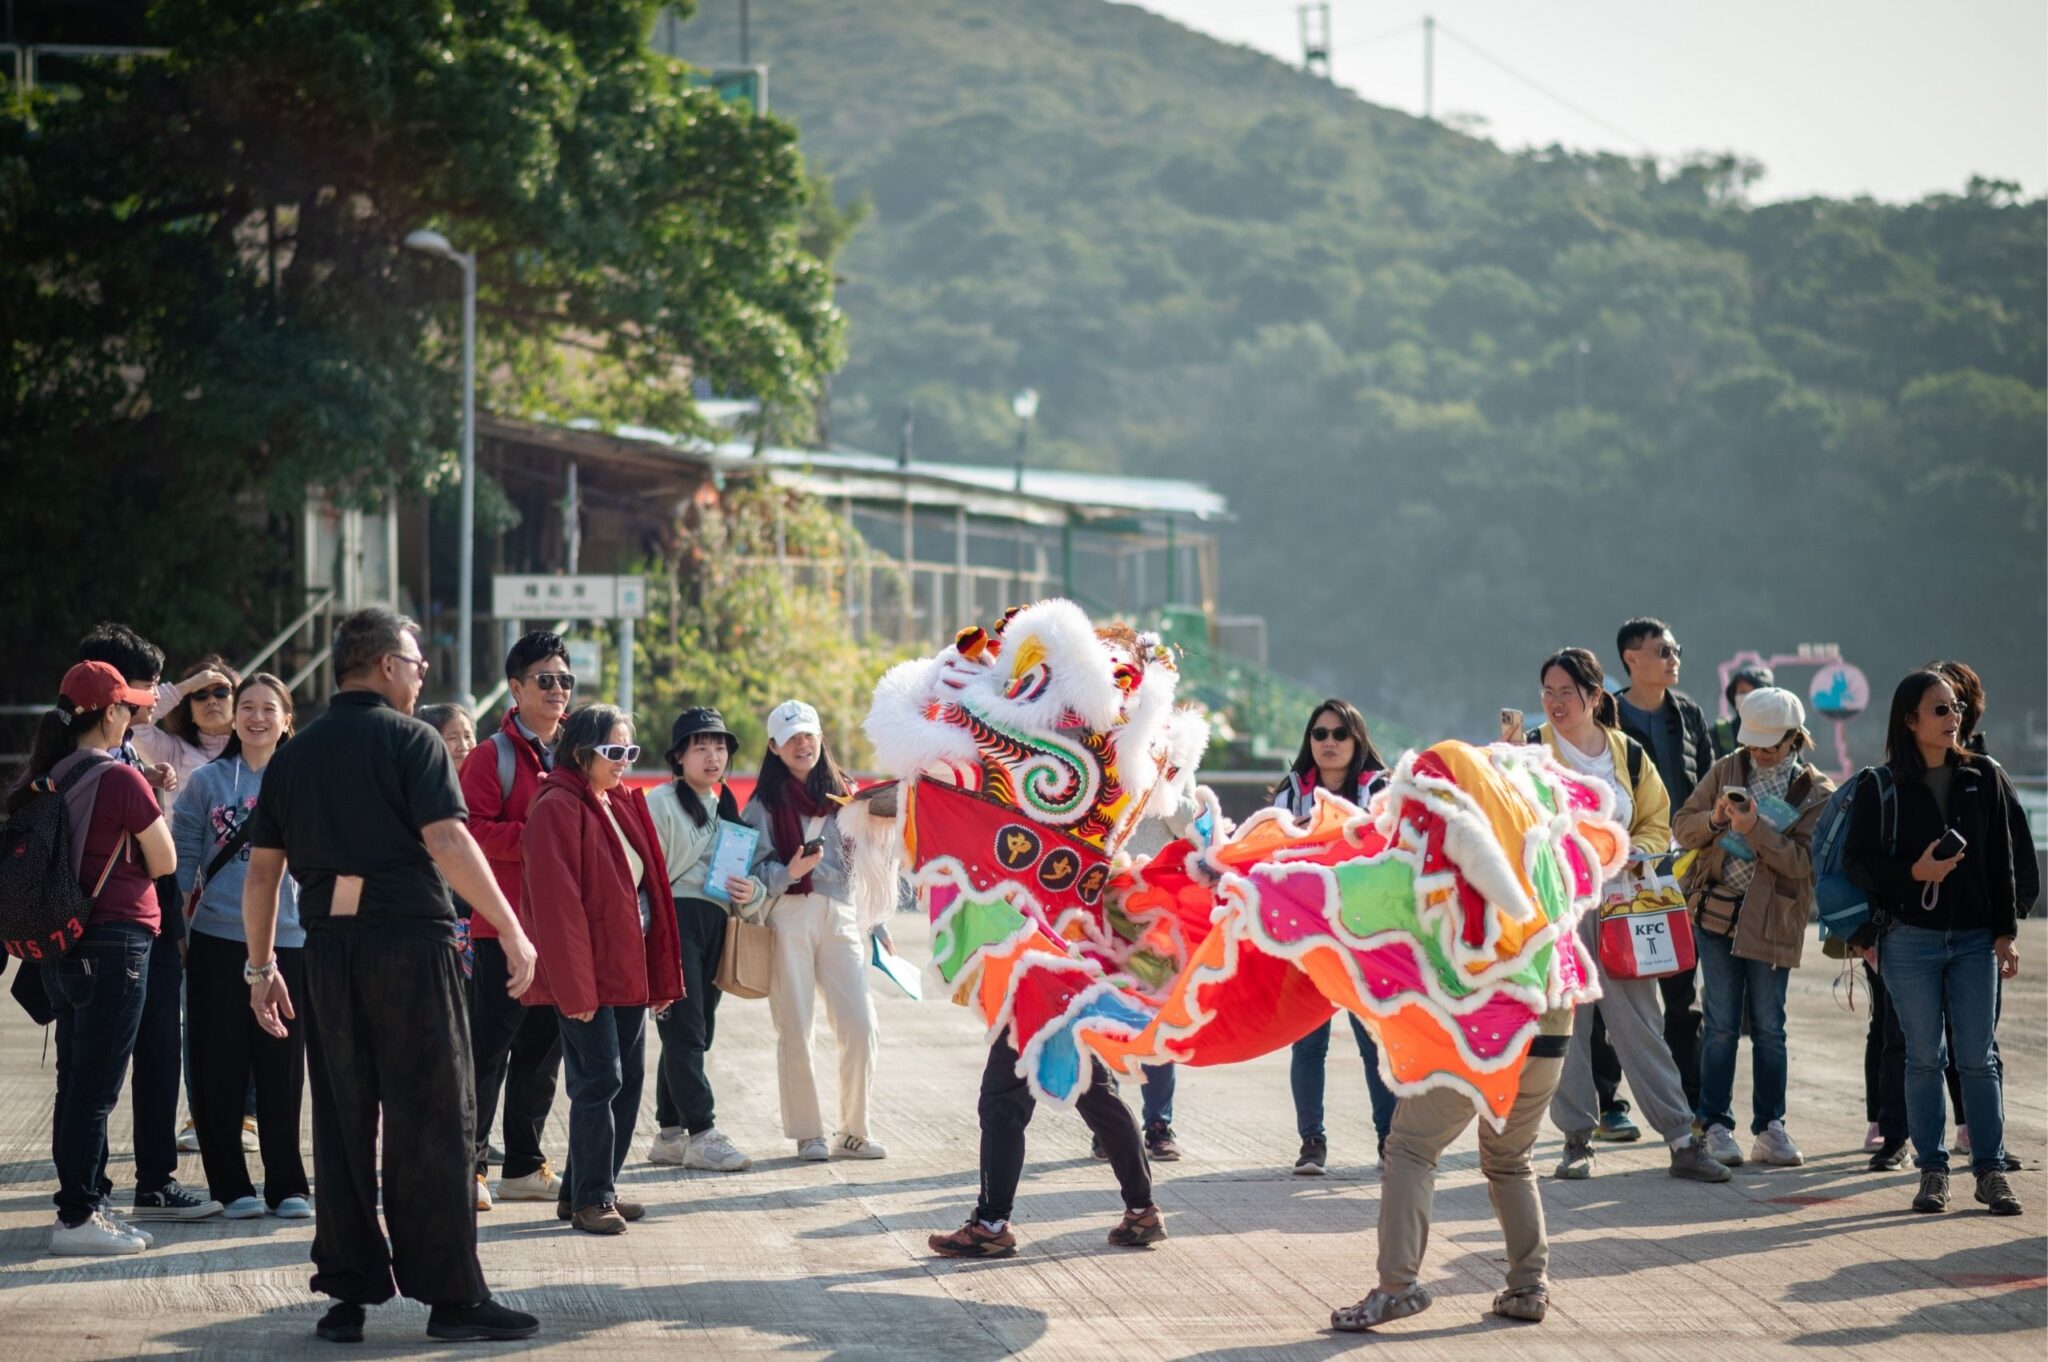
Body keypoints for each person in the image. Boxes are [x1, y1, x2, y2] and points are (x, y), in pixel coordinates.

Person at [241, 607, 542, 1343]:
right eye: (415, 663)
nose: (422, 675)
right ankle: (452, 1300)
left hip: (328, 953)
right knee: (436, 1120)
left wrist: (259, 968)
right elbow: (447, 839)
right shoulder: (412, 740)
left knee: (344, 1121)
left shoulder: (295, 752)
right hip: (411, 946)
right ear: (383, 666)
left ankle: (346, 1296)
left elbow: (261, 876)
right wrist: (509, 926)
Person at [1526, 647, 1729, 1184]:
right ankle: (1575, 1139)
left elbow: (1656, 819)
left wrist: (1629, 849)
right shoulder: (1531, 752)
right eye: (1547, 692)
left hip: (1622, 903)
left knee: (1641, 1023)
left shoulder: (1627, 753)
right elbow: (1514, 820)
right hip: (1559, 909)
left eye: (1566, 692)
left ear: (1594, 696)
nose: (1554, 702)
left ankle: (1682, 1139)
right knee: (1566, 1024)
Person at [10, 662, 183, 1255]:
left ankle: (84, 1208)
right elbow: (164, 863)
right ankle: (78, 1218)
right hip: (117, 945)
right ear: (108, 712)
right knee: (97, 1090)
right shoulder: (120, 780)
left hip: (64, 947)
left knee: (74, 1083)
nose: (135, 715)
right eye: (128, 708)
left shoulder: (52, 774)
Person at [1844, 670, 2023, 1217]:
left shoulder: (1983, 776)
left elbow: (2002, 860)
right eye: (1941, 710)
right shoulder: (1880, 784)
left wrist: (2005, 932)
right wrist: (1913, 871)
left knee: (1978, 1059)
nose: (1954, 719)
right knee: (1923, 1059)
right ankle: (1933, 1171)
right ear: (1910, 719)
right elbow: (1859, 861)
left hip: (1973, 941)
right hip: (1909, 942)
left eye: (1957, 709)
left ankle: (1989, 1170)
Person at [73, 628, 224, 1219]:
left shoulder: (112, 753)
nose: (154, 697)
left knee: (144, 1049)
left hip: (129, 918)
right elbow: (161, 857)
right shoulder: (104, 755)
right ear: (115, 696)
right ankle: (90, 1195)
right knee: (100, 1063)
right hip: (122, 919)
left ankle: (128, 1184)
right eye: (147, 688)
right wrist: (186, 685)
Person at [518, 705, 682, 1234]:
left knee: (628, 1079)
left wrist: (657, 977)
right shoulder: (556, 807)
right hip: (588, 973)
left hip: (626, 966)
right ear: (582, 750)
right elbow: (556, 907)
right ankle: (593, 1198)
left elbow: (646, 895)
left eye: (630, 752)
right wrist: (574, 987)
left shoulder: (616, 801)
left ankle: (587, 1190)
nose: (623, 762)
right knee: (598, 1081)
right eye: (614, 752)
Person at [1329, 999, 1577, 1329]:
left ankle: (1397, 1287)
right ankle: (1529, 1286)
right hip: (1550, 1031)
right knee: (1512, 1160)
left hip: (1479, 1024)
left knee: (1410, 1149)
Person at [1671, 687, 1836, 1168]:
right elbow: (1683, 826)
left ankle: (1770, 1128)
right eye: (1754, 743)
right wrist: (1716, 820)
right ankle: (1716, 1124)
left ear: (1793, 738)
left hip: (1773, 919)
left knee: (1770, 1028)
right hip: (1716, 911)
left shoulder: (1817, 792)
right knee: (1720, 1025)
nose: (1759, 752)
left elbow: (1804, 863)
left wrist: (1755, 831)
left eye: (1770, 744)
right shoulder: (1727, 768)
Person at [173, 673, 312, 1219]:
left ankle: (288, 1185)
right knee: (218, 1065)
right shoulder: (207, 782)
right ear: (234, 718)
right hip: (216, 939)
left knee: (282, 1064)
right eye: (246, 707)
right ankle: (230, 1186)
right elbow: (184, 861)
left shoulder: (307, 778)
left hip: (293, 939)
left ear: (286, 718)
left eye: (267, 708)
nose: (256, 717)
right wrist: (181, 935)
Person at [457, 634, 572, 1212]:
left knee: (542, 1053)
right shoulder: (491, 756)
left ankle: (524, 1165)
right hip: (502, 929)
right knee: (488, 1051)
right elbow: (468, 835)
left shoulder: (578, 753)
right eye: (545, 680)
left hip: (560, 933)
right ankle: (469, 1165)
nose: (557, 691)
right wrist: (537, 839)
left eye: (565, 680)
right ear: (517, 688)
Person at [744, 700, 886, 1161]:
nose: (801, 744)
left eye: (808, 734)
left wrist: (877, 920)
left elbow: (868, 862)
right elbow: (749, 877)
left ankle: (854, 1129)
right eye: (790, 737)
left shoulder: (849, 794)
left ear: (820, 738)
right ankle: (808, 1132)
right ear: (773, 746)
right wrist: (789, 870)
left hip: (842, 914)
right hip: (789, 914)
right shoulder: (763, 805)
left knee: (861, 1024)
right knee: (795, 1025)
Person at [1273, 699, 1398, 1176]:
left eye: (1339, 734)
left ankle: (1390, 1141)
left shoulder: (1382, 790)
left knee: (1374, 1042)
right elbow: (1270, 854)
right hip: (1307, 935)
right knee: (1307, 1044)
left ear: (1357, 740)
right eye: (1319, 734)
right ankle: (1312, 1143)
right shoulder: (1290, 793)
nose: (1327, 742)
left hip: (1368, 935)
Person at [645, 707, 765, 1173]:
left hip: (716, 922)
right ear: (678, 756)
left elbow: (746, 882)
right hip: (675, 920)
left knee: (695, 1030)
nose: (713, 756)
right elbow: (644, 873)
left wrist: (750, 890)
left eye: (720, 747)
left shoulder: (727, 806)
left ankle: (670, 1133)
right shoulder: (660, 802)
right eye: (701, 746)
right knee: (686, 1029)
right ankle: (703, 1130)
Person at [1606, 617, 1712, 1131]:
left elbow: (1707, 786)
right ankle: (1608, 1105)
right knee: (1616, 984)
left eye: (1676, 649)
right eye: (1663, 651)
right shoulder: (1606, 716)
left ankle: (1688, 1107)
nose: (1674, 658)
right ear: (1632, 659)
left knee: (1680, 994)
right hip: (1621, 871)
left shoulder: (1688, 714)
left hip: (1679, 875)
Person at [1710, 664, 1775, 760]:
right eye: (1742, 692)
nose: (1748, 697)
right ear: (1734, 697)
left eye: (1754, 692)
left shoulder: (1780, 732)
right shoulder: (1722, 733)